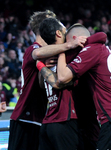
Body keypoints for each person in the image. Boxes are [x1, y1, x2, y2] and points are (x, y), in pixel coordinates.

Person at [37, 20, 111, 150]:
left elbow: (61, 78)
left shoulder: (90, 50)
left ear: (75, 39)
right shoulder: (105, 49)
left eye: (68, 42)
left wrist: (63, 49)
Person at [8, 10, 86, 150]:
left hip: (40, 117)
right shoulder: (34, 49)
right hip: (25, 116)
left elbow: (42, 83)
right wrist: (69, 45)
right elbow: (37, 54)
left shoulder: (51, 52)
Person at [37, 17, 79, 150]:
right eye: (64, 28)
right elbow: (60, 82)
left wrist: (40, 66)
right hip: (64, 121)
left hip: (48, 122)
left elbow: (41, 84)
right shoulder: (68, 56)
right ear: (59, 33)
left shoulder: (46, 59)